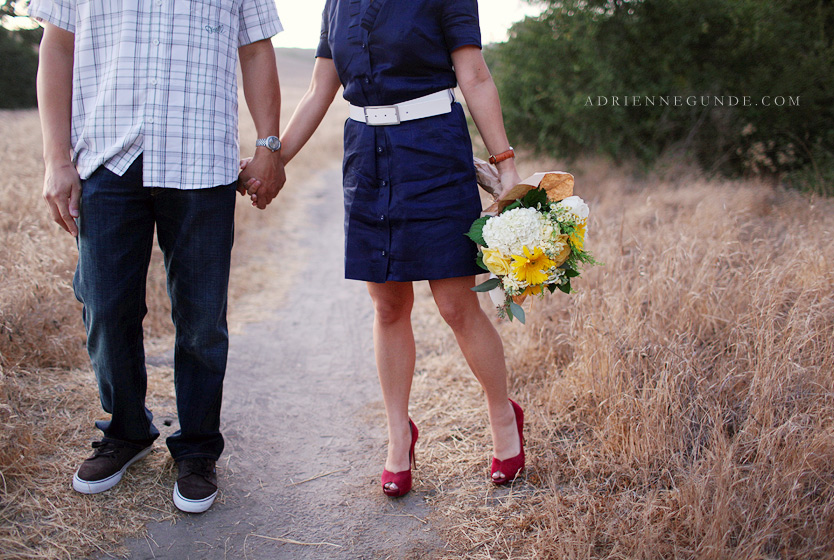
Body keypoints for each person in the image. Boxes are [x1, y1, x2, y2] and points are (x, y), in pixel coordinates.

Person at [250, 0, 525, 496]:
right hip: (367, 158)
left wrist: (504, 163)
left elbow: (475, 75)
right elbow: (319, 89)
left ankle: (504, 418)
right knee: (388, 303)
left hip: (435, 152)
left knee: (455, 304)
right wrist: (275, 160)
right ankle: (400, 435)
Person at [30, 0, 286, 513]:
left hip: (202, 159)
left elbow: (256, 50)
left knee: (201, 321)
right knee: (105, 306)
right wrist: (57, 159)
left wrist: (268, 144)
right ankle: (125, 430)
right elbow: (58, 46)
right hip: (106, 158)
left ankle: (196, 448)